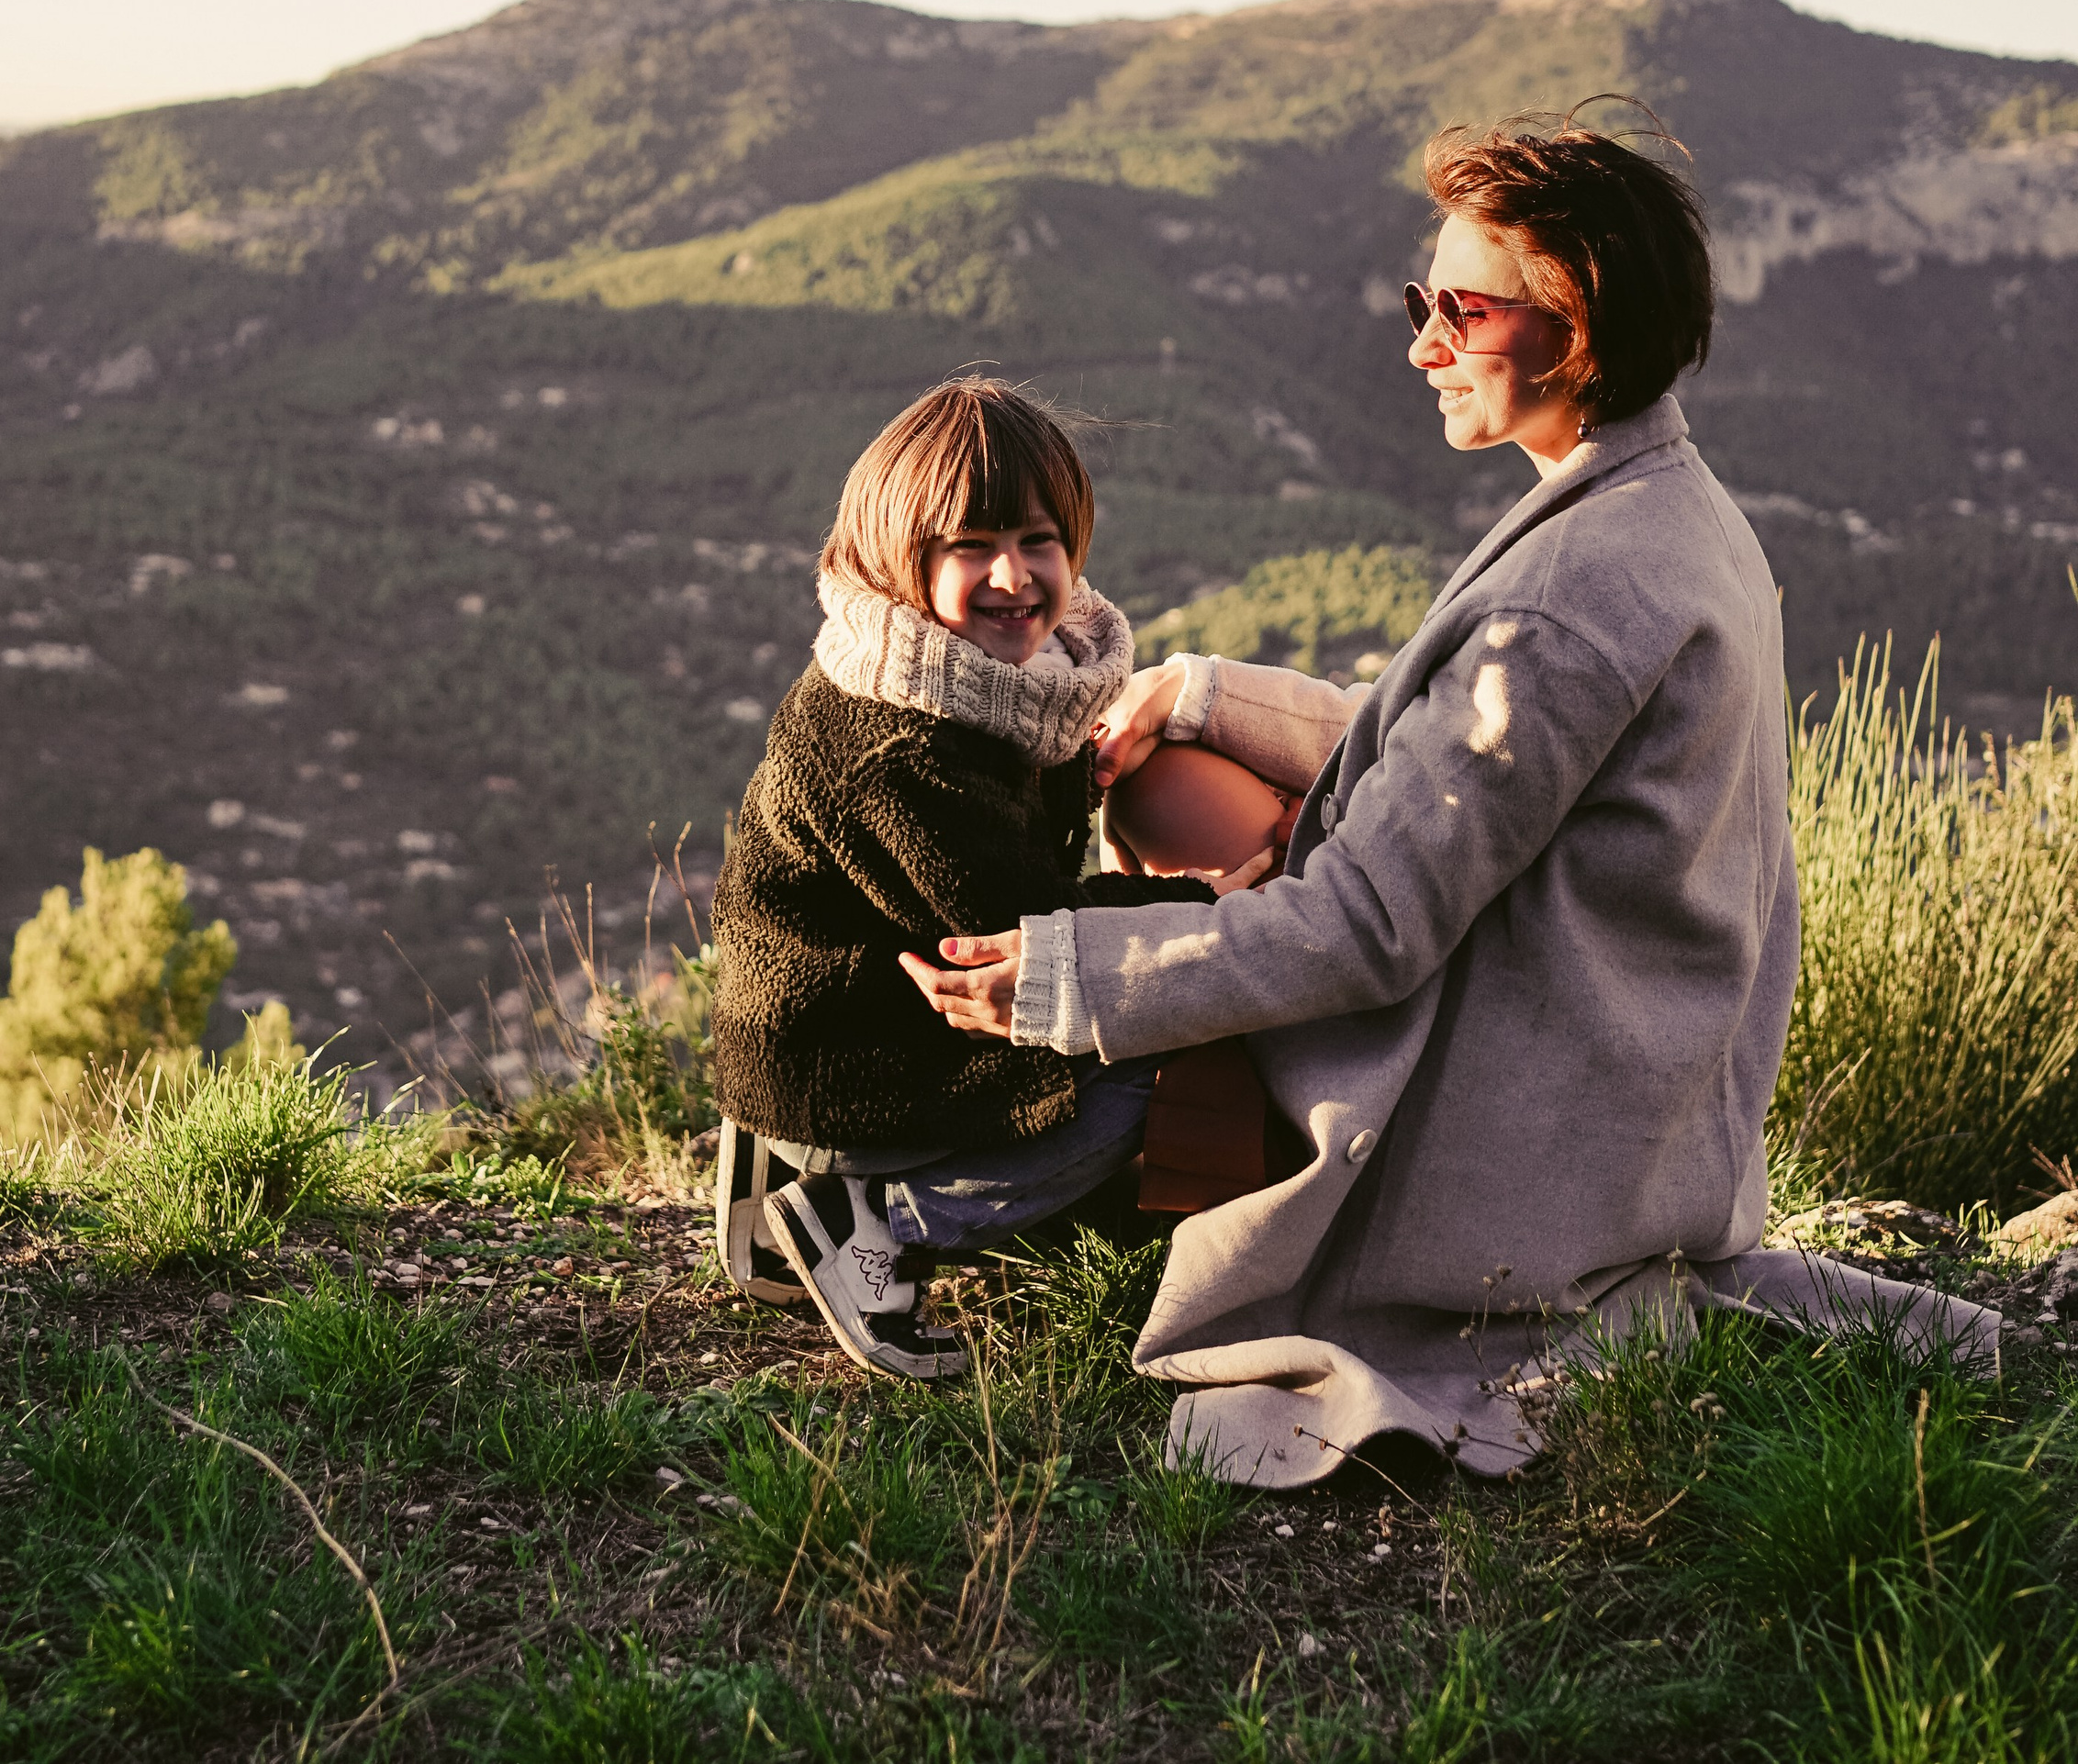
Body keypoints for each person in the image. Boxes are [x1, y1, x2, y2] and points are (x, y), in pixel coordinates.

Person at [904, 113, 1994, 1488]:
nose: (1422, 341)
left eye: (1460, 309)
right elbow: (1443, 763)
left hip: (1538, 1133)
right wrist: (1203, 691)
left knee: (1146, 987)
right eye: (1426, 300)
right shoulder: (1668, 503)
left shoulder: (1571, 592)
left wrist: (1080, 974)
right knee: (1183, 781)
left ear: (1578, 325)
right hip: (1651, 1093)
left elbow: (1370, 926)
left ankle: (915, 1198)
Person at [709, 376, 1236, 1380]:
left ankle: (804, 1180)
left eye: (1038, 540)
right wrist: (1212, 901)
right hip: (850, 1062)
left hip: (831, 1025)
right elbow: (1028, 938)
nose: (1015, 574)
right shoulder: (904, 744)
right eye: (970, 546)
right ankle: (873, 1219)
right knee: (1147, 1068)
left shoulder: (959, 678)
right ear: (900, 560)